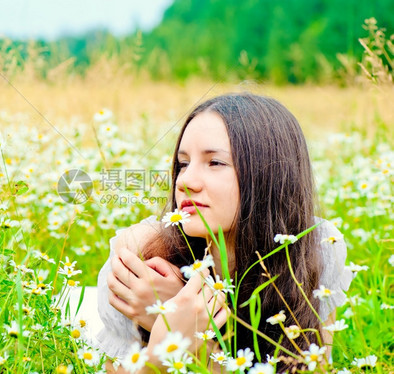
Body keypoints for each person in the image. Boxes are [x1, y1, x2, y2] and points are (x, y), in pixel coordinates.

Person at [95, 93, 353, 373]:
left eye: (215, 162)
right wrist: (160, 352)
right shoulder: (139, 262)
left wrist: (192, 334)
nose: (186, 181)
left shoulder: (315, 247)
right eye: (183, 164)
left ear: (269, 174)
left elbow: (313, 367)